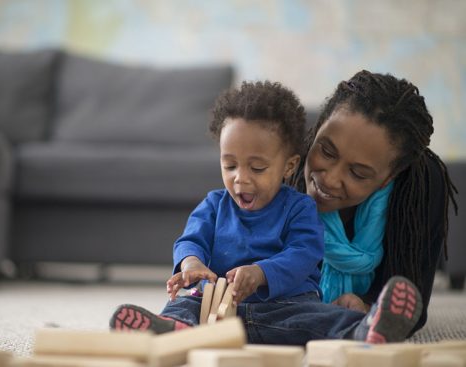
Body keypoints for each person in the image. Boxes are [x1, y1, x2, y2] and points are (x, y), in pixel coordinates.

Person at [111, 80, 325, 334]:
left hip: (282, 306)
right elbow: (190, 241)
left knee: (320, 318)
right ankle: (171, 329)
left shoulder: (300, 207)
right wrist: (191, 265)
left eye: (257, 168)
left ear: (289, 166)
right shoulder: (213, 204)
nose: (240, 178)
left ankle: (360, 328)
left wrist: (261, 273)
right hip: (215, 308)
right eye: (230, 165)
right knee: (182, 304)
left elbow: (304, 253)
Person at [289, 70, 457, 338]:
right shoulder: (287, 157)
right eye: (327, 151)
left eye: (357, 173)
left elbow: (413, 304)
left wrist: (366, 305)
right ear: (319, 126)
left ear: (388, 177)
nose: (330, 180)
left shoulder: (420, 185)